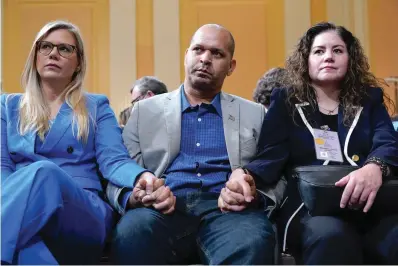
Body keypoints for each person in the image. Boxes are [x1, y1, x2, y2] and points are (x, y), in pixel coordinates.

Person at [106, 24, 285, 265]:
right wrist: (135, 196)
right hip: (161, 207)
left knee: (254, 241)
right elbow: (119, 170)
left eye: (217, 53)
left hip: (229, 212)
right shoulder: (143, 112)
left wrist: (253, 195)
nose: (205, 59)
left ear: (231, 66)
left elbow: (276, 173)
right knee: (132, 232)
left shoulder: (255, 114)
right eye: (198, 50)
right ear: (186, 56)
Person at [244, 22, 398, 264]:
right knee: (333, 237)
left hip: (370, 206)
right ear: (306, 60)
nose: (328, 57)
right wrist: (245, 176)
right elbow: (269, 156)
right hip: (311, 209)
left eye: (337, 50)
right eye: (319, 51)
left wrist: (374, 167)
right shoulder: (285, 101)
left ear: (350, 58)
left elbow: (388, 142)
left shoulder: (369, 100)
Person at [0, 21, 150, 265]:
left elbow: (113, 160)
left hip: (82, 211)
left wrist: (140, 177)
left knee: (43, 171)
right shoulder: (8, 106)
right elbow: (2, 166)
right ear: (35, 55)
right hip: (23, 211)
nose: (53, 54)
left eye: (65, 49)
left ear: (78, 61)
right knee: (27, 248)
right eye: (45, 46)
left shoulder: (96, 106)